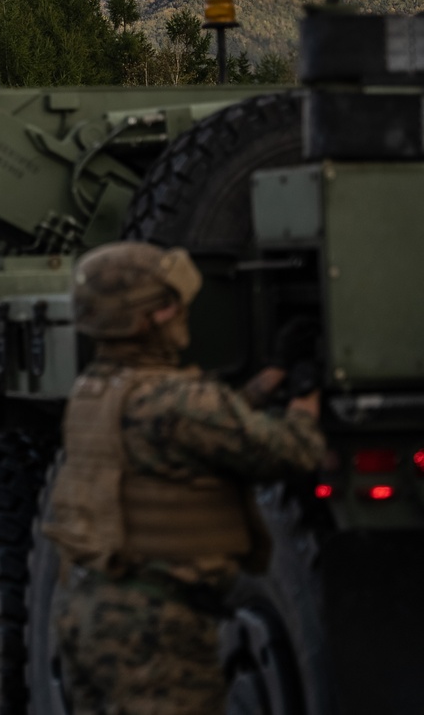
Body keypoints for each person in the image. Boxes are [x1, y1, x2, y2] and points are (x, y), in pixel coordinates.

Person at [43, 241, 325, 715]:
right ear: (146, 319)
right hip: (155, 633)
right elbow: (292, 452)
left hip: (91, 614)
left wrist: (269, 377)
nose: (182, 313)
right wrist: (303, 400)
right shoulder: (177, 403)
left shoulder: (95, 392)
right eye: (171, 304)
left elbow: (199, 430)